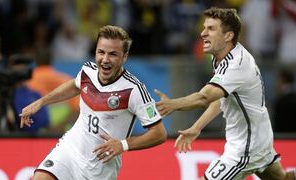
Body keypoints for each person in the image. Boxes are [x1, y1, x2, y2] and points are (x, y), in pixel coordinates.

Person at [155, 7, 296, 180]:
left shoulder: (236, 64)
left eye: (211, 29)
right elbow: (219, 97)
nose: (203, 33)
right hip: (259, 138)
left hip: (246, 148)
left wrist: (173, 104)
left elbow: (204, 97)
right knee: (281, 178)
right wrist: (197, 127)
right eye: (204, 27)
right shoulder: (222, 56)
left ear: (228, 36)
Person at [20, 25, 166, 180]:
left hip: (99, 169)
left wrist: (123, 145)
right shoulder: (88, 70)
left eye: (113, 54)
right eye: (101, 52)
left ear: (124, 57)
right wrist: (42, 102)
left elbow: (159, 134)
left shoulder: (134, 90)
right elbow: (75, 85)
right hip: (69, 151)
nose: (105, 59)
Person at [273, 67, 296, 132]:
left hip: (284, 139)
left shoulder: (281, 102)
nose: (276, 82)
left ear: (283, 79)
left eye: (278, 79)